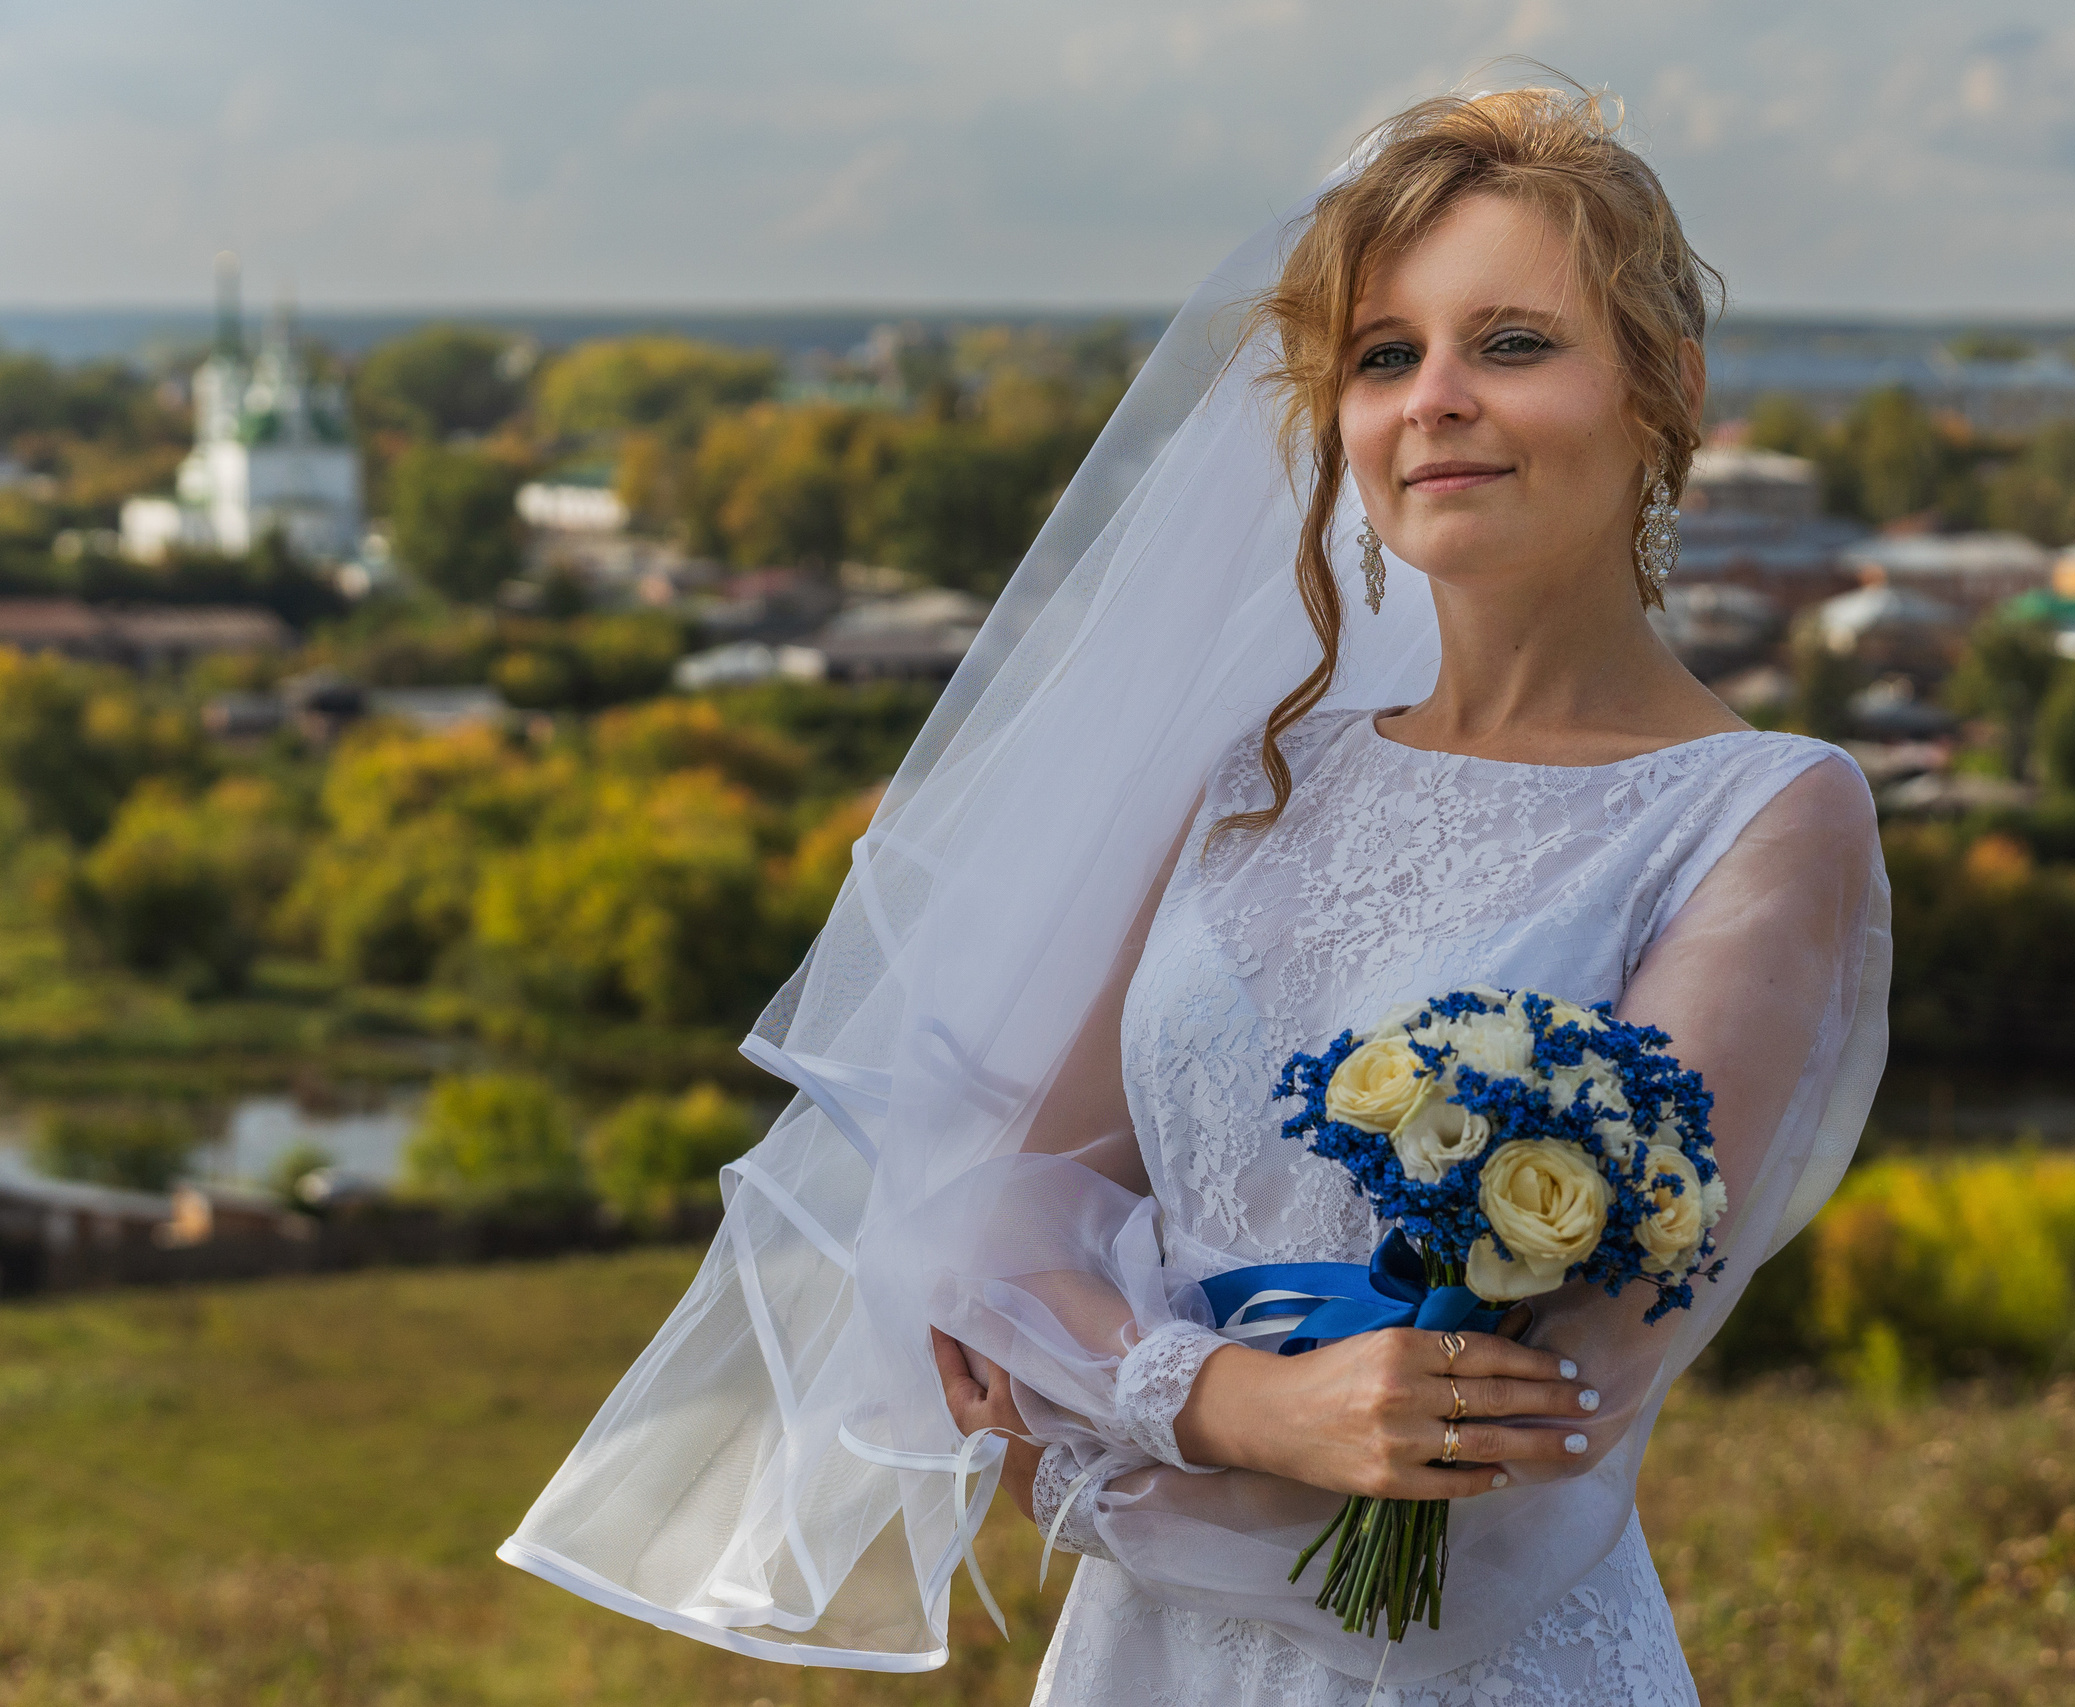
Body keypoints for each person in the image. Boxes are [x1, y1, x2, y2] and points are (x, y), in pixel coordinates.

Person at [501, 85, 1888, 1707]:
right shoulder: (1255, 778)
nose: (1436, 399)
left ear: (1667, 388)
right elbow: (985, 1243)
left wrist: (1096, 1403)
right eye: (1384, 356)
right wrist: (1236, 1407)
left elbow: (1524, 1467)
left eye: (1513, 343)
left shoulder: (1763, 813)